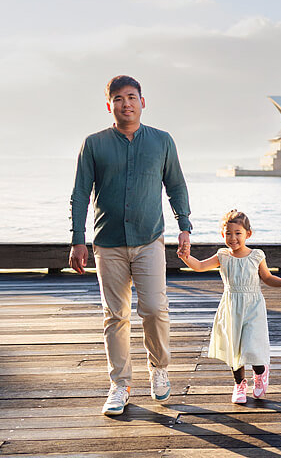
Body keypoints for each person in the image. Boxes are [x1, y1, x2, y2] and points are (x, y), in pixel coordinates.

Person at [69, 75, 192, 417]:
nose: (126, 103)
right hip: (107, 243)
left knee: (154, 308)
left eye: (132, 97)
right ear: (110, 105)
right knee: (115, 316)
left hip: (149, 239)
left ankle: (159, 367)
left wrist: (185, 226)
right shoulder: (94, 144)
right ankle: (119, 385)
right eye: (119, 98)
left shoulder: (162, 141)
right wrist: (77, 239)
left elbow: (176, 186)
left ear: (142, 101)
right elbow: (80, 193)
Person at [176, 210, 281, 403]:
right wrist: (185, 257)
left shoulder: (256, 256)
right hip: (231, 306)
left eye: (238, 233)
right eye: (228, 233)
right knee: (235, 347)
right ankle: (239, 384)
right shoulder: (223, 256)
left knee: (253, 344)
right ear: (222, 234)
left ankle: (260, 373)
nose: (233, 238)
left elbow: (267, 278)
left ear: (248, 234)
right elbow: (200, 266)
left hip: (253, 307)